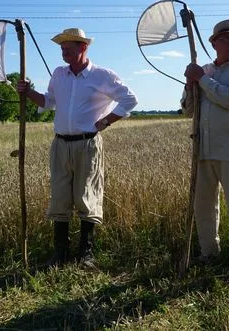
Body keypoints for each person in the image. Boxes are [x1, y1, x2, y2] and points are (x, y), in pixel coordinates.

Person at [17, 27, 138, 268]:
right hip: (60, 143)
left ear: (84, 47)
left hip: (88, 144)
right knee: (59, 197)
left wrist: (106, 121)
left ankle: (86, 254)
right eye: (62, 48)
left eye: (69, 48)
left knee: (87, 196)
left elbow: (130, 99)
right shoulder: (59, 75)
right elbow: (48, 102)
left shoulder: (102, 76)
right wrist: (28, 92)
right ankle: (60, 254)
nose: (64, 52)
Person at [181, 19, 229, 278]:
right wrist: (190, 86)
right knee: (203, 205)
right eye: (226, 39)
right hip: (203, 149)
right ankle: (208, 253)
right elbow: (188, 109)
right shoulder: (203, 70)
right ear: (213, 43)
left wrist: (201, 79)